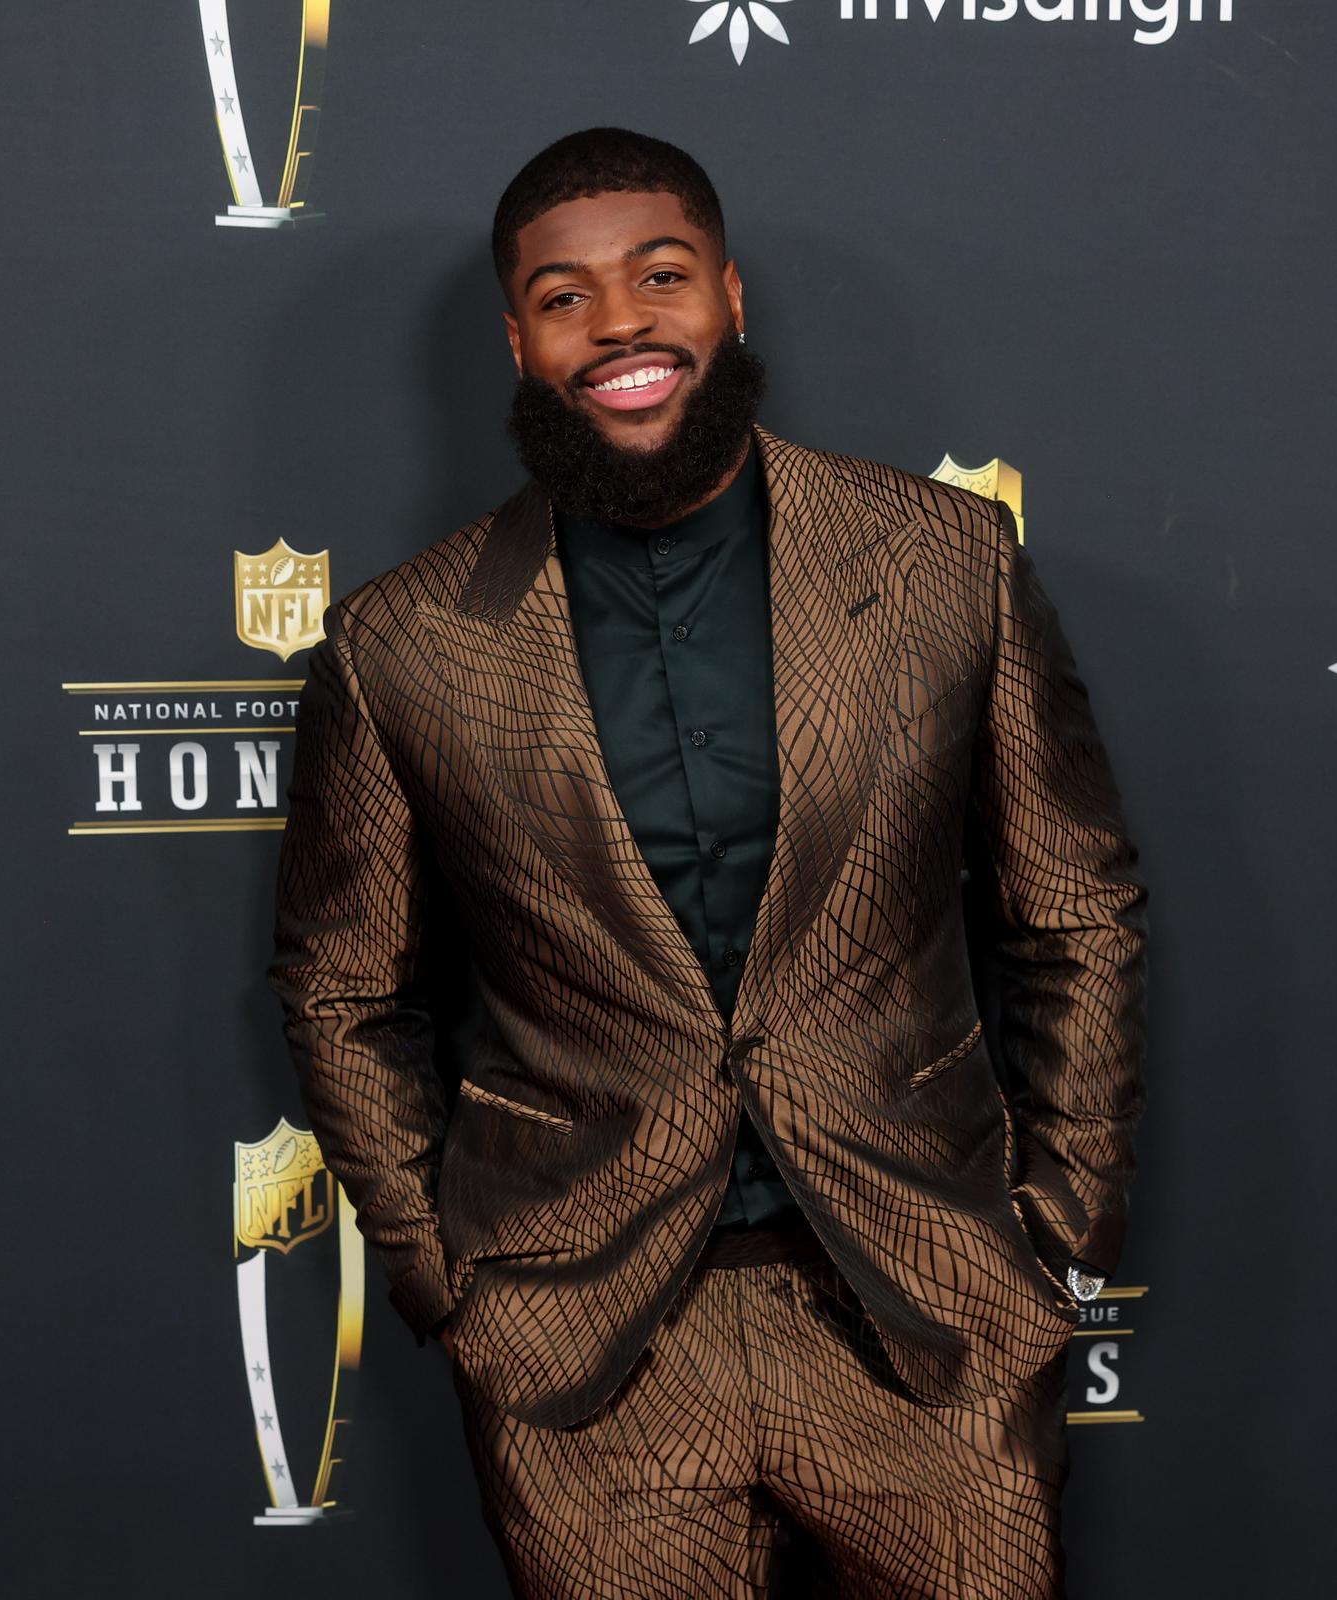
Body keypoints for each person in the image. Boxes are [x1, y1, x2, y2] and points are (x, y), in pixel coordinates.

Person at [269, 126, 1147, 1599]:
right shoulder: (400, 643)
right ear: (518, 339)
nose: (619, 323)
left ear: (730, 299)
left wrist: (1050, 1229)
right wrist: (449, 1280)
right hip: (585, 1353)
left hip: (921, 1311)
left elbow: (1073, 913)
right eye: (566, 297)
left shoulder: (947, 564)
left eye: (658, 276)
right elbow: (343, 987)